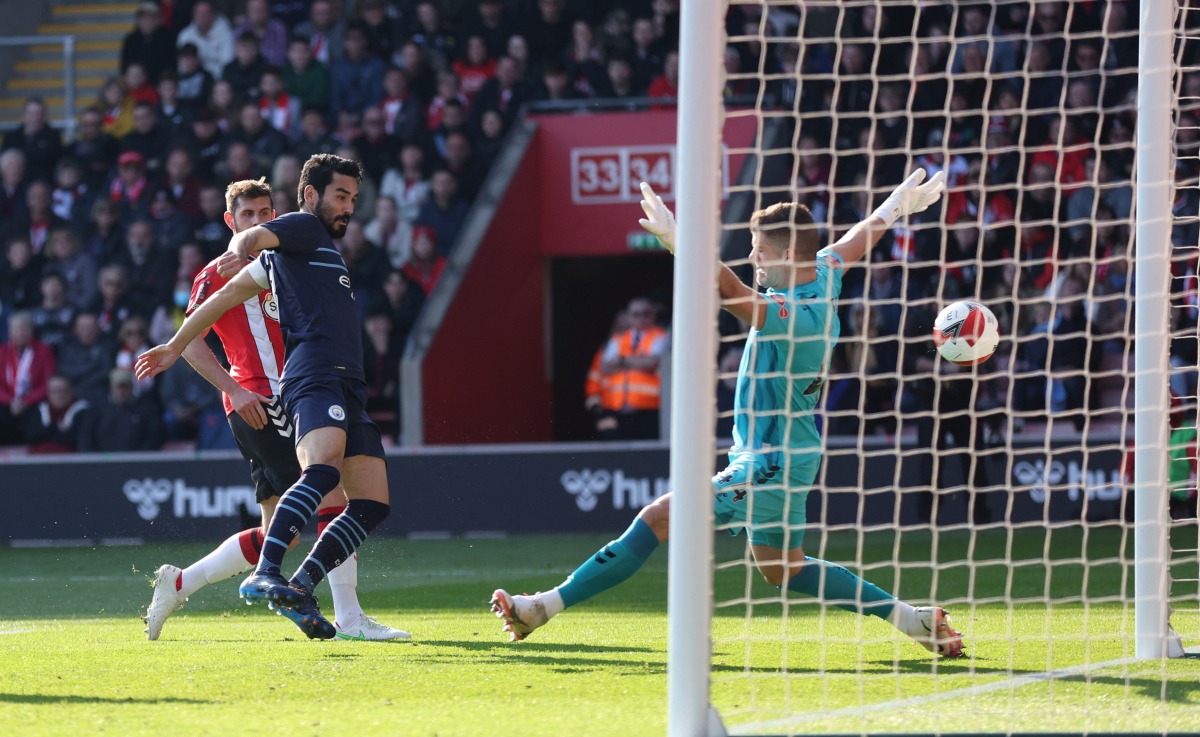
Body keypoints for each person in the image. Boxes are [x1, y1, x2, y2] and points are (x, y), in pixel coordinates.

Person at [490, 170, 967, 658]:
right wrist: (894, 206)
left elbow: (730, 289)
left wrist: (682, 242)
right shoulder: (823, 273)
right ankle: (915, 620)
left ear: (785, 254)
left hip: (769, 461)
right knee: (784, 569)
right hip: (793, 451)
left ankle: (541, 607)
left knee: (656, 518)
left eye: (760, 249)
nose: (755, 258)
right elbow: (852, 242)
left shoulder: (796, 317)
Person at [136, 156, 395, 641]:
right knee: (331, 491)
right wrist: (231, 387)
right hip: (266, 398)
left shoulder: (285, 258)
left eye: (264, 212)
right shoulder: (228, 266)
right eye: (248, 216)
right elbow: (197, 329)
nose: (259, 222)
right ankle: (346, 614)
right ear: (231, 221)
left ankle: (182, 582)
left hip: (295, 392)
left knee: (284, 526)